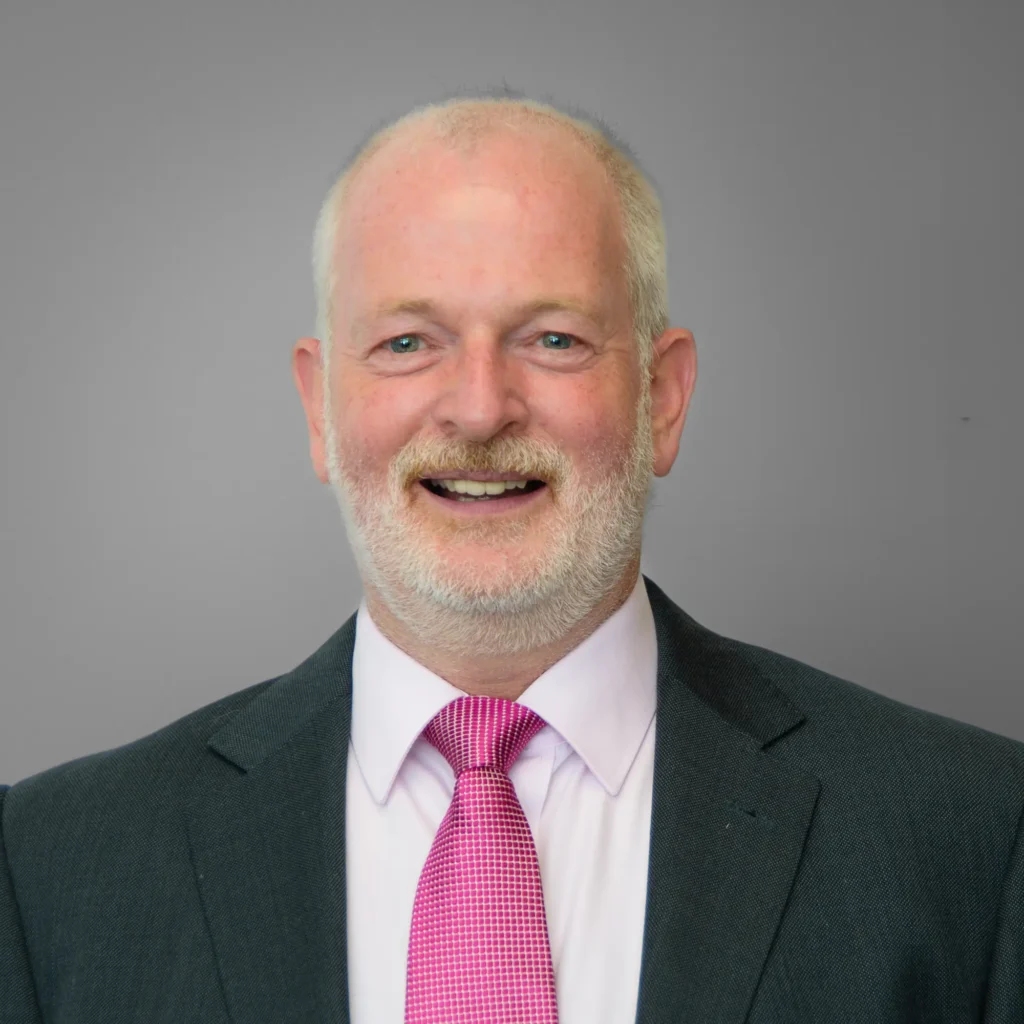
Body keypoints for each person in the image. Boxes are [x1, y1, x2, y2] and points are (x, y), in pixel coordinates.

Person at [1, 91, 1021, 1024]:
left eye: (553, 339)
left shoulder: (972, 835)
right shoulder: (50, 872)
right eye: (408, 343)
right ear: (319, 409)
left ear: (662, 398)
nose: (480, 408)